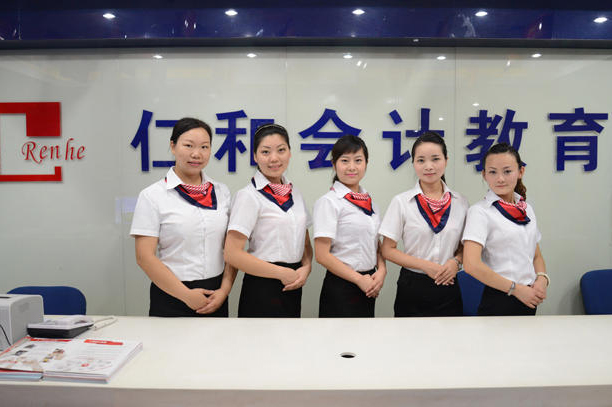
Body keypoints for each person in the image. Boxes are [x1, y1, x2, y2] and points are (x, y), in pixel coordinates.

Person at [130, 117, 236, 317]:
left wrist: (224, 290)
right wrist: (186, 295)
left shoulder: (222, 192)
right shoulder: (153, 195)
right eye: (188, 145)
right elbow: (144, 257)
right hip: (171, 294)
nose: (197, 154)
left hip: (215, 296)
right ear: (173, 146)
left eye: (204, 147)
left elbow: (232, 249)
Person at [224, 123, 313, 318]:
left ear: (290, 152)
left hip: (293, 284)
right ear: (255, 156)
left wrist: (307, 267)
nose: (274, 158)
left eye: (281, 150)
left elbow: (305, 242)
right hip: (262, 287)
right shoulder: (248, 196)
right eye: (265, 152)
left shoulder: (295, 193)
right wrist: (281, 273)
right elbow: (232, 254)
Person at [380, 131, 468, 317]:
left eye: (435, 159)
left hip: (449, 282)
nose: (429, 166)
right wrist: (425, 266)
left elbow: (465, 246)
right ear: (413, 163)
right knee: (409, 335)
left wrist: (456, 262)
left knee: (450, 335)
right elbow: (387, 250)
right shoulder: (402, 202)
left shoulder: (460, 202)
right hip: (412, 285)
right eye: (421, 160)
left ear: (446, 160)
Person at [462, 143, 548, 316]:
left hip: (529, 297)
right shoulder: (480, 212)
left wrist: (542, 278)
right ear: (484, 175)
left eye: (507, 171)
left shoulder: (526, 209)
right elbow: (471, 264)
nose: (500, 179)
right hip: (500, 297)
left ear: (520, 172)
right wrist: (516, 289)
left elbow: (536, 255)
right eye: (493, 172)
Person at [313, 135, 386, 318]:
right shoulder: (329, 202)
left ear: (366, 163)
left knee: (365, 335)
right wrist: (359, 279)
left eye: (358, 160)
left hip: (369, 284)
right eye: (345, 161)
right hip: (341, 286)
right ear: (334, 164)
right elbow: (322, 255)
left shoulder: (371, 203)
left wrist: (382, 270)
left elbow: (375, 244)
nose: (352, 167)